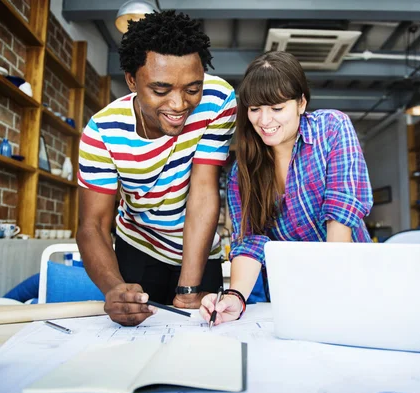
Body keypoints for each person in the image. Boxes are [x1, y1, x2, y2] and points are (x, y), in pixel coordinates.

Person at [77, 11, 236, 326]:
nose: (179, 105)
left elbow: (203, 191)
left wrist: (189, 288)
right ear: (132, 80)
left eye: (192, 89)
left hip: (199, 251)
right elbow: (92, 225)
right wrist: (114, 289)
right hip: (138, 246)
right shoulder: (103, 132)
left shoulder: (218, 99)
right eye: (161, 90)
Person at [200, 51, 373, 326]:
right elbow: (250, 241)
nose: (265, 121)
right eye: (255, 109)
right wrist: (234, 296)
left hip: (348, 282)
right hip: (290, 294)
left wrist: (333, 288)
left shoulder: (332, 128)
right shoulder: (241, 172)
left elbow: (343, 209)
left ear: (301, 103)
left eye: (277, 108)